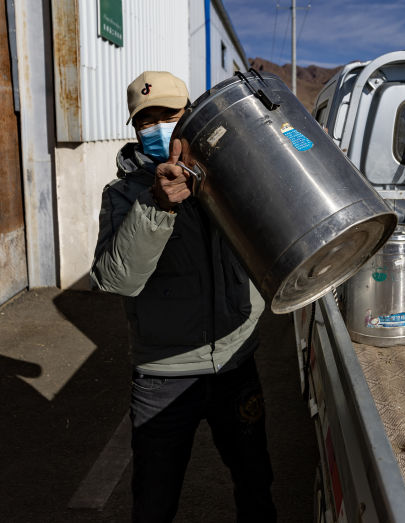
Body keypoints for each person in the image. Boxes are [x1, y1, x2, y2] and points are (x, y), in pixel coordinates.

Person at [90, 71, 276, 522]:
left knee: (256, 483)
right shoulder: (122, 195)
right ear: (135, 129)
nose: (157, 129)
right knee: (154, 500)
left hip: (235, 363)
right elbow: (116, 279)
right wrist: (157, 205)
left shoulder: (229, 177)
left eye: (169, 116)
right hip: (162, 374)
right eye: (145, 120)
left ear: (190, 116)